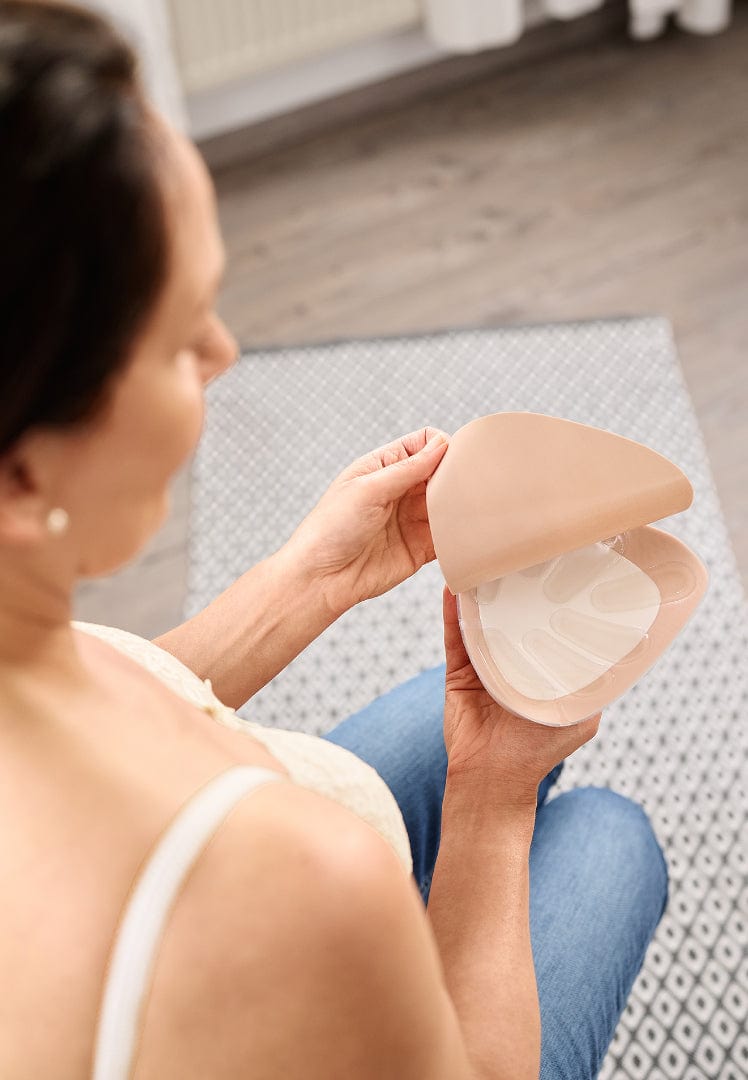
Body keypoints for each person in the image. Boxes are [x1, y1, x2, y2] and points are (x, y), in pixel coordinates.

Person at [0, 2, 668, 1077]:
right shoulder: (298, 888)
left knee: (440, 705)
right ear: (24, 476)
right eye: (178, 339)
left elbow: (105, 693)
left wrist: (312, 578)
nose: (224, 352)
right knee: (611, 837)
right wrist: (488, 808)